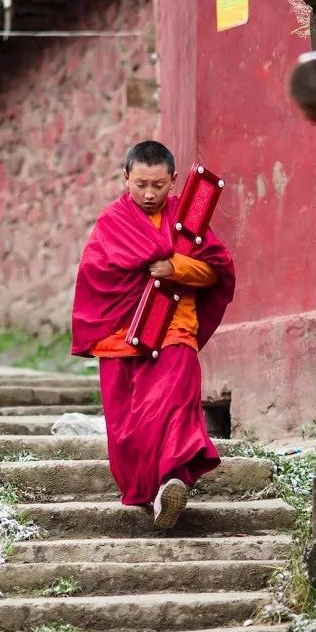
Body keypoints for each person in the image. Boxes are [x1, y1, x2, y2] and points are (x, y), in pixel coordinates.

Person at [72, 141, 235, 529]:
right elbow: (95, 279)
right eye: (141, 184)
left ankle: (172, 479)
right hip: (120, 336)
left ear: (174, 182)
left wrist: (174, 266)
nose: (149, 194)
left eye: (158, 186)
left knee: (176, 402)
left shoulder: (188, 219)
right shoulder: (112, 223)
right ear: (125, 178)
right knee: (131, 424)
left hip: (176, 326)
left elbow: (216, 271)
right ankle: (152, 489)